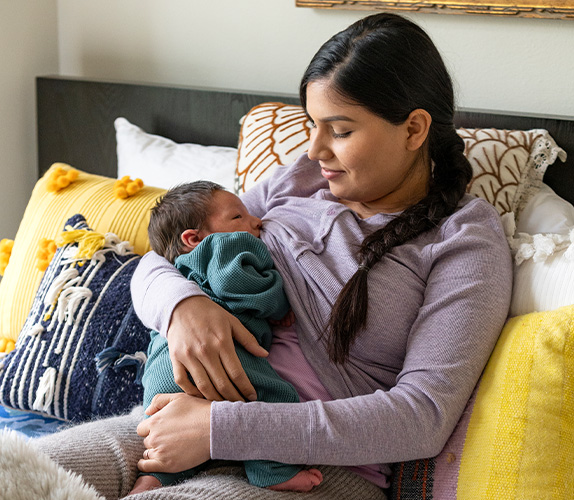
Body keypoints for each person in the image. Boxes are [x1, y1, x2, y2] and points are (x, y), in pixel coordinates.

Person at [32, 12, 512, 500]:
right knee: (22, 472)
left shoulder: (464, 239)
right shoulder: (302, 178)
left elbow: (421, 416)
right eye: (311, 125)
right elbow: (163, 258)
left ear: (413, 129)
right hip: (177, 421)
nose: (315, 148)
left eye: (340, 131)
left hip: (316, 469)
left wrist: (222, 428)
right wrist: (183, 308)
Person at [130, 181, 322, 494]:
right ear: (193, 238)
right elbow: (240, 285)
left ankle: (155, 478)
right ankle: (273, 471)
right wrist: (279, 301)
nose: (255, 221)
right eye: (238, 217)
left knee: (171, 442)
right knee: (278, 398)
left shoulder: (182, 268)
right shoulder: (224, 246)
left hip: (162, 374)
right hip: (224, 360)